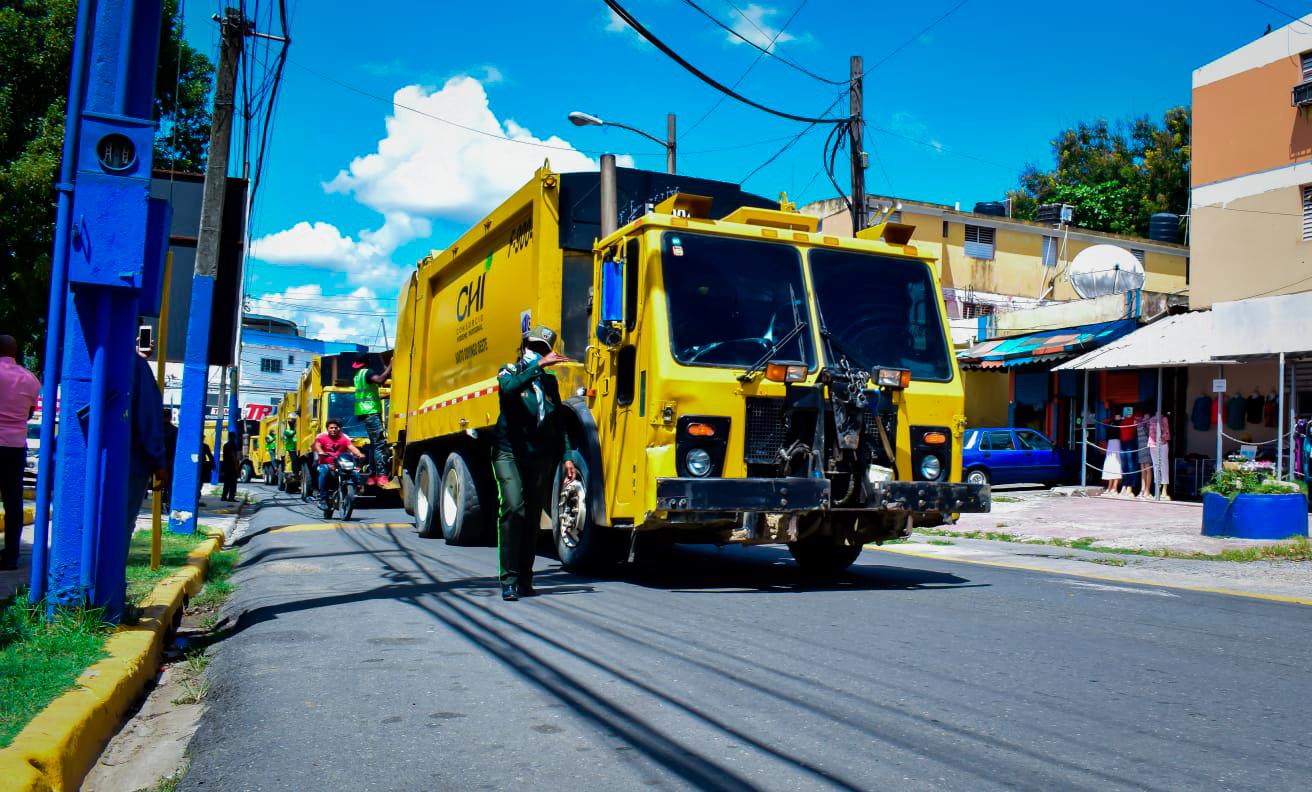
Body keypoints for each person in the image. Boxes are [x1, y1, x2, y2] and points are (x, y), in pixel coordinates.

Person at [492, 324, 575, 602]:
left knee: (530, 519)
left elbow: (558, 421)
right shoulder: (510, 371)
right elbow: (508, 391)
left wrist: (566, 456)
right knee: (514, 508)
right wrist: (537, 365)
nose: (539, 353)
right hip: (509, 452)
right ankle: (509, 579)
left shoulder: (549, 383)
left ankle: (525, 580)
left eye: (544, 349)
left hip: (538, 454)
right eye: (534, 347)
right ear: (525, 346)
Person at [0, 335, 40, 571]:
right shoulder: (30, 379)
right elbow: (27, 414)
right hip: (15, 448)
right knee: (13, 502)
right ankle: (11, 556)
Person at [352, 353, 392, 486]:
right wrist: (391, 365)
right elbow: (380, 380)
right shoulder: (368, 372)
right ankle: (380, 475)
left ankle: (372, 475)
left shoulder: (357, 376)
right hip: (371, 412)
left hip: (364, 412)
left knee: (374, 445)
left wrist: (382, 397)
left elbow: (367, 395)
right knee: (379, 444)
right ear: (368, 362)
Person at [313, 418, 365, 508]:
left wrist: (359, 454)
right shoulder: (322, 437)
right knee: (323, 472)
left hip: (341, 464)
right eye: (331, 428)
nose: (333, 430)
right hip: (326, 464)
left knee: (356, 471)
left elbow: (351, 447)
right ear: (327, 429)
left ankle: (356, 489)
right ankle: (323, 499)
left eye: (336, 428)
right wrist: (320, 451)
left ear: (339, 428)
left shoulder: (343, 438)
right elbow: (317, 446)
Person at [220, 434, 238, 502]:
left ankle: (224, 496)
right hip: (231, 466)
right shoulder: (232, 444)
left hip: (226, 466)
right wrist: (236, 465)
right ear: (233, 437)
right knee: (233, 483)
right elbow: (233, 455)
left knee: (227, 482)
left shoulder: (225, 445)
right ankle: (231, 497)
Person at [281, 417, 298, 481]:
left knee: (295, 460)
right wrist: (296, 430)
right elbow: (291, 435)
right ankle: (295, 472)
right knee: (294, 460)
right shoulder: (286, 431)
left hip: (295, 448)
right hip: (291, 448)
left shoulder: (293, 430)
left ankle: (296, 471)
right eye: (292, 423)